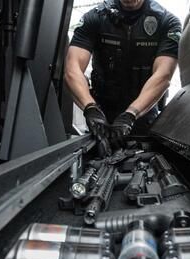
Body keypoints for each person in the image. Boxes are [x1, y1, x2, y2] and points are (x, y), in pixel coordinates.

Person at [64, 0, 181, 148]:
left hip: (143, 116)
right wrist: (90, 108)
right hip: (101, 115)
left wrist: (130, 114)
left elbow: (163, 75)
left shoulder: (167, 22)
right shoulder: (95, 18)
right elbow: (72, 68)